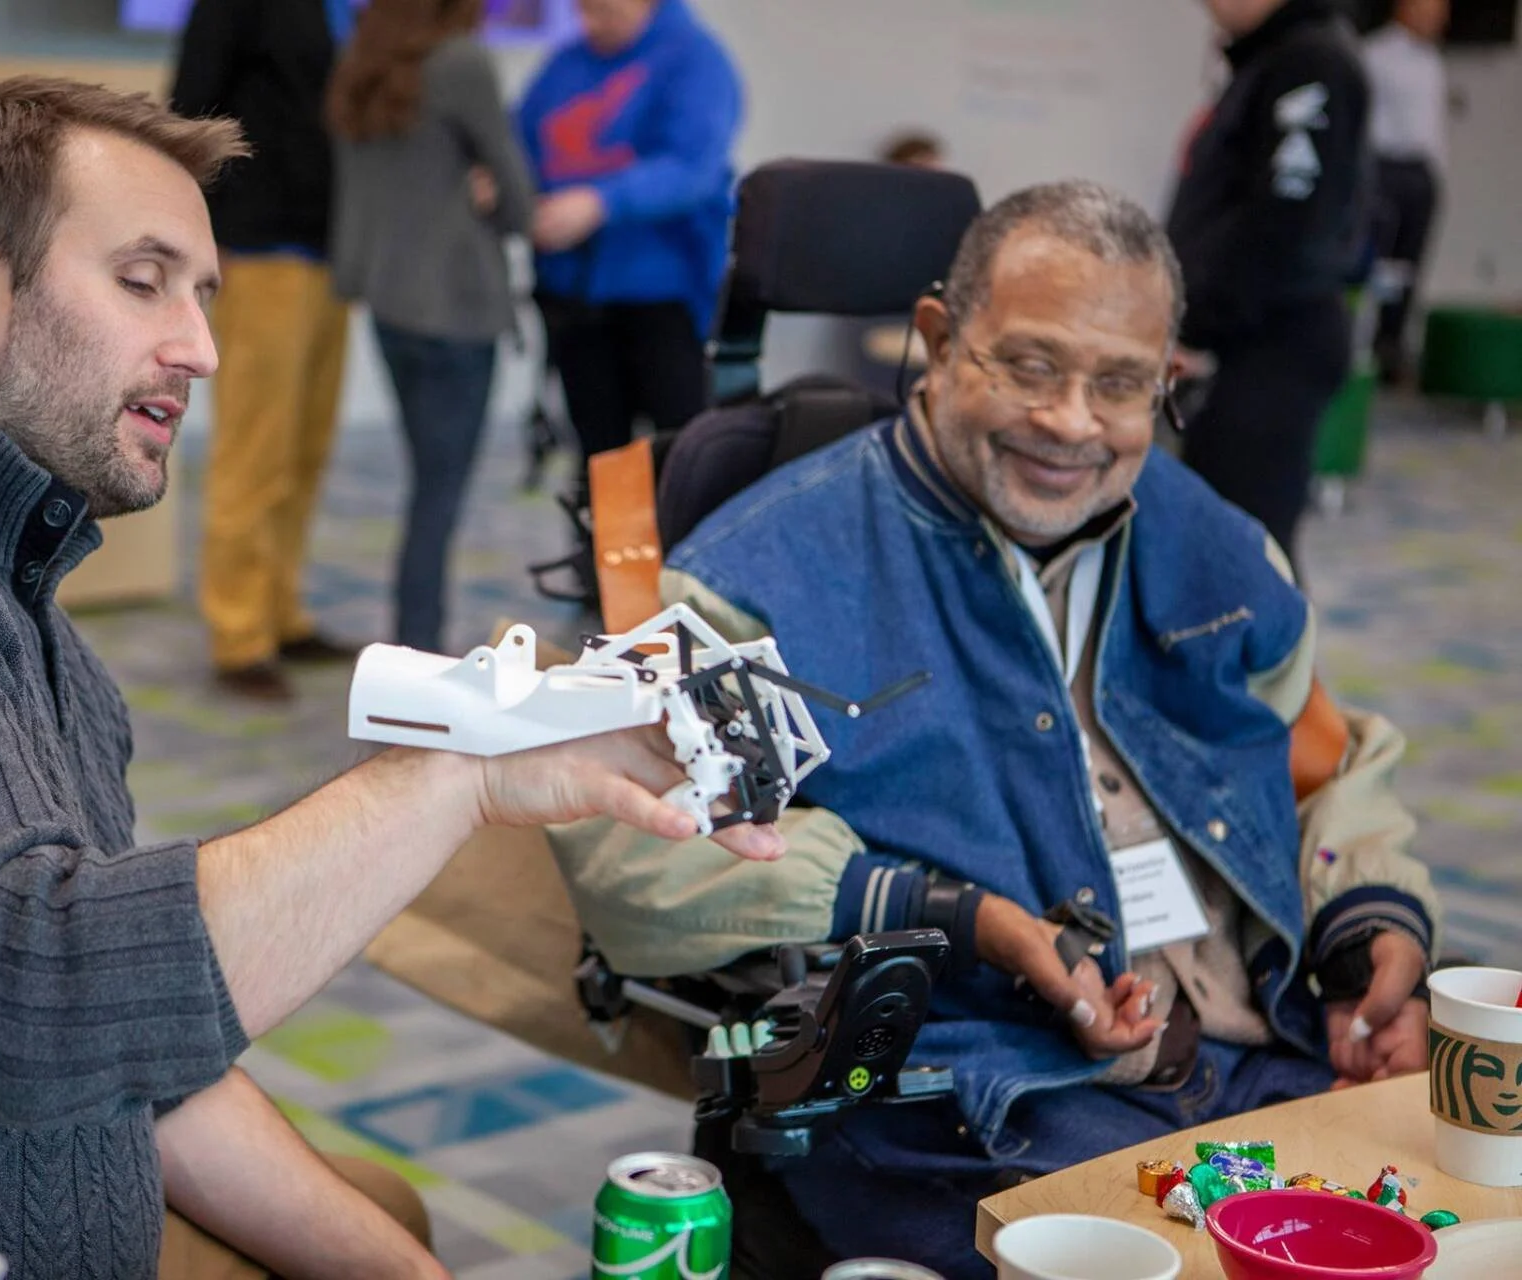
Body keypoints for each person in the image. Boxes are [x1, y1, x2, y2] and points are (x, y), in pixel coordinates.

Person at [0, 77, 782, 1280]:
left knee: (390, 1221)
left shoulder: (18, 611)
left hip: (51, 1212)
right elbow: (41, 995)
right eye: (142, 279)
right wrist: (456, 773)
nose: (202, 348)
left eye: (203, 293)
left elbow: (139, 1056)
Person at [549, 182, 1438, 1280]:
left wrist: (1364, 926)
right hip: (975, 1098)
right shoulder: (755, 579)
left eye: (1121, 383)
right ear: (937, 340)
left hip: (1277, 1054)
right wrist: (959, 915)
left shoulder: (1219, 547)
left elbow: (1329, 762)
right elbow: (630, 860)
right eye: (1028, 364)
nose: (1072, 420)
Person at [328, 0, 536, 654]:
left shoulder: (362, 62)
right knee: (438, 497)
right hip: (454, 305)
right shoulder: (462, 64)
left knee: (427, 487)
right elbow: (519, 199)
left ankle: (414, 644)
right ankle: (419, 652)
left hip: (390, 304)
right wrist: (489, 198)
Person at [171, 0, 355, 703]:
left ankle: (283, 611)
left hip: (327, 252)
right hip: (259, 247)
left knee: (305, 446)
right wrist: (201, 233)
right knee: (255, 447)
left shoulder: (343, 11)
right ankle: (239, 632)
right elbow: (190, 108)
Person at [1166, 0, 1372, 563]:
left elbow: (1285, 225)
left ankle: (1274, 656)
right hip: (1245, 337)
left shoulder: (1310, 64)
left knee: (1246, 554)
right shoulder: (1272, 59)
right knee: (1221, 537)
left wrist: (1198, 321)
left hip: (1274, 340)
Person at [517, 0, 744, 491]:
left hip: (664, 294)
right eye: (582, 8)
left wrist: (601, 202)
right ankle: (604, 565)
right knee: (601, 461)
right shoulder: (567, 62)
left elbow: (693, 168)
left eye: (602, 8)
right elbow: (524, 140)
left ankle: (679, 565)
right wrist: (509, 184)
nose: (589, 20)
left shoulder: (695, 59)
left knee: (684, 455)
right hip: (575, 293)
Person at [1362, 0, 1450, 386]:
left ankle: (1393, 348)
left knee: (1411, 265)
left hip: (1421, 174)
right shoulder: (1374, 54)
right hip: (1385, 170)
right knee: (1380, 263)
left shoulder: (1432, 61)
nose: (1438, 16)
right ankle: (1366, 346)